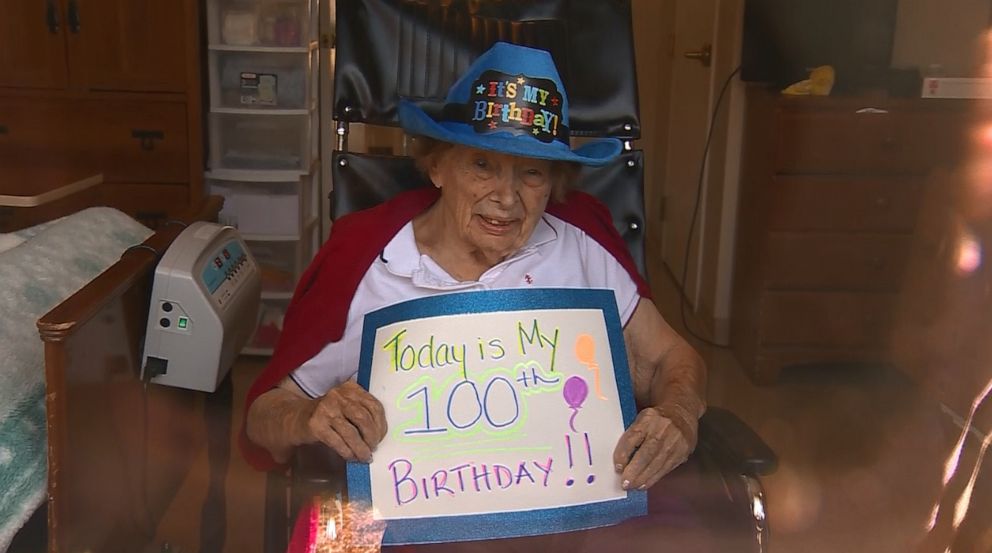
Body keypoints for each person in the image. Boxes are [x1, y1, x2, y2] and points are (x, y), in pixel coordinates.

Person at [241, 42, 707, 549]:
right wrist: (310, 417)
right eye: (482, 165)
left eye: (531, 172)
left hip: (565, 519)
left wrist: (678, 414)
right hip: (406, 521)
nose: (506, 198)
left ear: (553, 182)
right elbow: (266, 414)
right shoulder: (368, 262)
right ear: (437, 166)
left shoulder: (580, 247)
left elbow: (670, 358)